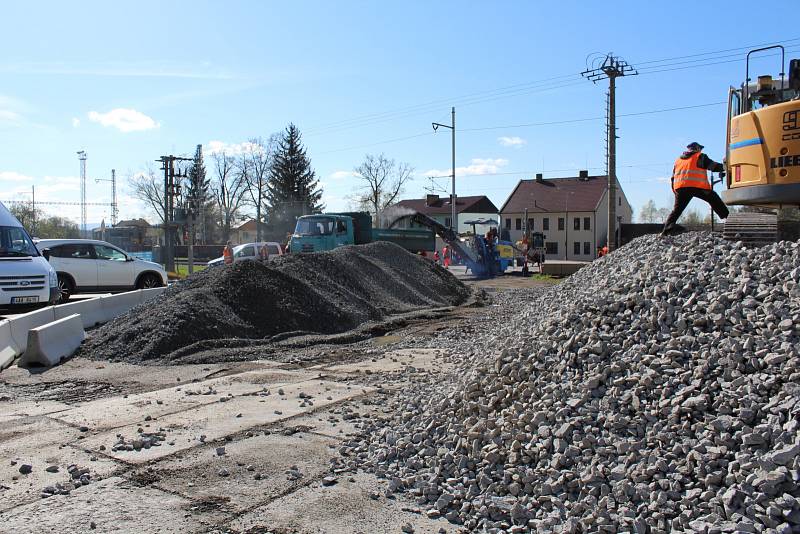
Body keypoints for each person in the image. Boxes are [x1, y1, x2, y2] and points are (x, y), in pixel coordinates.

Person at [662, 142, 729, 236]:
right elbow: (713, 166)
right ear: (697, 148)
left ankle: (666, 232)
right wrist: (725, 167)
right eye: (700, 149)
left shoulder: (678, 160)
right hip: (697, 186)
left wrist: (675, 191)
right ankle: (727, 219)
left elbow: (673, 177)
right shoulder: (700, 156)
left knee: (676, 211)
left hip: (680, 188)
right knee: (714, 198)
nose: (701, 150)